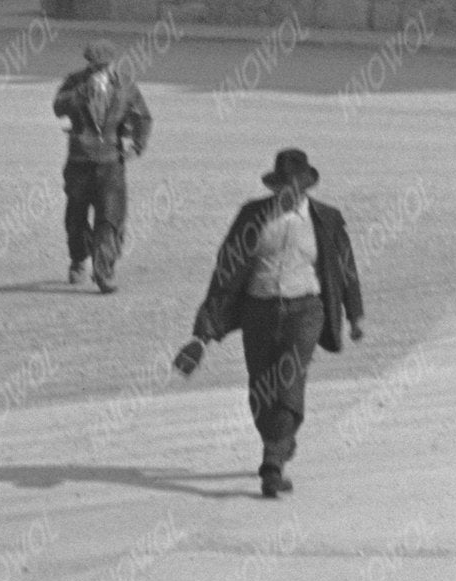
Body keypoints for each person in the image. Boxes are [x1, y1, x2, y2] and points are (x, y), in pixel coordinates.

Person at [176, 148, 366, 503]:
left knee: (289, 379)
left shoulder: (326, 219)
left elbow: (346, 269)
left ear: (305, 186)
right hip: (257, 312)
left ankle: (272, 464)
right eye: (282, 186)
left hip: (306, 310)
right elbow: (226, 270)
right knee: (261, 387)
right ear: (276, 186)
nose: (288, 192)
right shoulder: (252, 216)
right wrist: (203, 333)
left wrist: (354, 315)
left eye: (294, 185)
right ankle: (279, 440)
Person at [55, 41, 152, 290]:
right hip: (79, 162)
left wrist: (137, 145)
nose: (99, 69)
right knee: (76, 218)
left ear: (111, 64)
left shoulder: (124, 85)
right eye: (94, 65)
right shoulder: (75, 82)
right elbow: (58, 107)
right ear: (88, 64)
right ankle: (78, 258)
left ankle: (103, 272)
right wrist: (80, 93)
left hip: (110, 162)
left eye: (104, 65)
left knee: (110, 218)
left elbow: (143, 115)